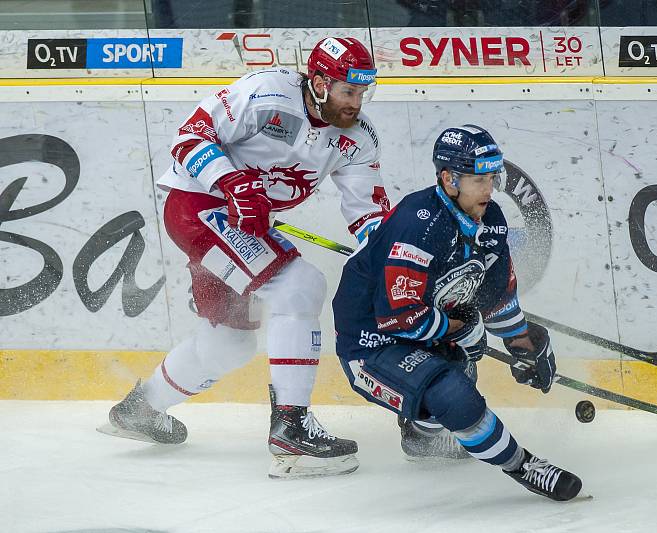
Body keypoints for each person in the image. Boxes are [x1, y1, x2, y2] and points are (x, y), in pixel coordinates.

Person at [101, 36, 390, 480]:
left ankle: (139, 410)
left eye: (361, 93)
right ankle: (291, 426)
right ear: (318, 81)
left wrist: (393, 255)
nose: (355, 103)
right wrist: (233, 182)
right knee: (301, 285)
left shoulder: (358, 138)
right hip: (199, 207)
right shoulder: (266, 91)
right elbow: (188, 137)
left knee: (229, 343)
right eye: (347, 91)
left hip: (245, 225)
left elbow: (367, 210)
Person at [332, 125, 582, 501]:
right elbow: (401, 318)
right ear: (449, 179)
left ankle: (421, 435)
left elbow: (496, 294)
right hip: (371, 342)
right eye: (478, 179)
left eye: (491, 178)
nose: (488, 189)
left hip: (425, 326)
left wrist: (522, 340)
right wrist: (463, 331)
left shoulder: (491, 218)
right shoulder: (418, 227)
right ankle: (522, 465)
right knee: (454, 395)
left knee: (459, 369)